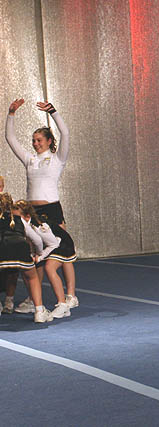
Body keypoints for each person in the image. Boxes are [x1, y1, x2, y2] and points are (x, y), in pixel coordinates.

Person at [5, 99, 79, 313]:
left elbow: (66, 133)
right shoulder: (30, 160)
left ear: (49, 141)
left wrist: (53, 112)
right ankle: (33, 298)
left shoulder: (57, 159)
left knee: (63, 253)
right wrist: (11, 114)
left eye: (39, 140)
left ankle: (71, 295)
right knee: (35, 255)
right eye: (33, 141)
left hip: (52, 209)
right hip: (32, 212)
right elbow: (10, 138)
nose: (35, 143)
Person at [12, 200, 77, 318]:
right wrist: (34, 255)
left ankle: (63, 305)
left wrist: (40, 256)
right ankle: (33, 301)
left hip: (62, 244)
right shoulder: (25, 224)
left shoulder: (40, 226)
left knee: (49, 268)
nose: (15, 220)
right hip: (49, 245)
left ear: (27, 216)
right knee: (31, 266)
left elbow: (53, 244)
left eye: (17, 217)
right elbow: (33, 241)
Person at [0, 192, 53, 322]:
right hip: (21, 248)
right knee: (33, 278)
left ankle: (5, 304)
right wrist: (39, 254)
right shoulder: (20, 219)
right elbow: (37, 240)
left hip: (2, 248)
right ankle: (39, 311)